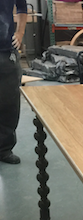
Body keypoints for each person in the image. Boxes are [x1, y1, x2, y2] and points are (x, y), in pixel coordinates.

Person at [0, 0, 27, 164]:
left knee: (9, 104)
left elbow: (22, 7)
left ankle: (4, 149)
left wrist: (20, 32)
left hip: (6, 53)